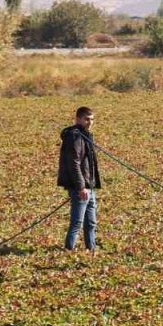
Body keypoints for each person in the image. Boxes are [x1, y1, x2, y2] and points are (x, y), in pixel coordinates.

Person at [58, 106, 101, 251]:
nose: (90, 122)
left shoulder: (85, 135)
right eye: (86, 119)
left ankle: (91, 249)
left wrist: (89, 185)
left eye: (92, 119)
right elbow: (73, 163)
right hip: (80, 187)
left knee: (91, 222)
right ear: (78, 119)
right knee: (77, 222)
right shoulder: (74, 136)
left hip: (89, 185)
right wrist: (81, 187)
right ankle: (68, 251)